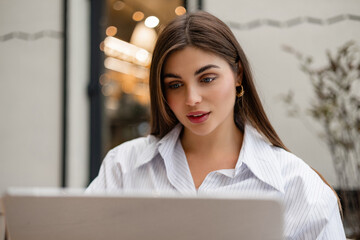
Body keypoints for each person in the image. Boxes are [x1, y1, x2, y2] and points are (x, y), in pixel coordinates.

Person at [87, 11, 346, 239]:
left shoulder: (300, 187)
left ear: (238, 75)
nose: (192, 99)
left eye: (207, 78)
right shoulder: (123, 167)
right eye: (175, 85)